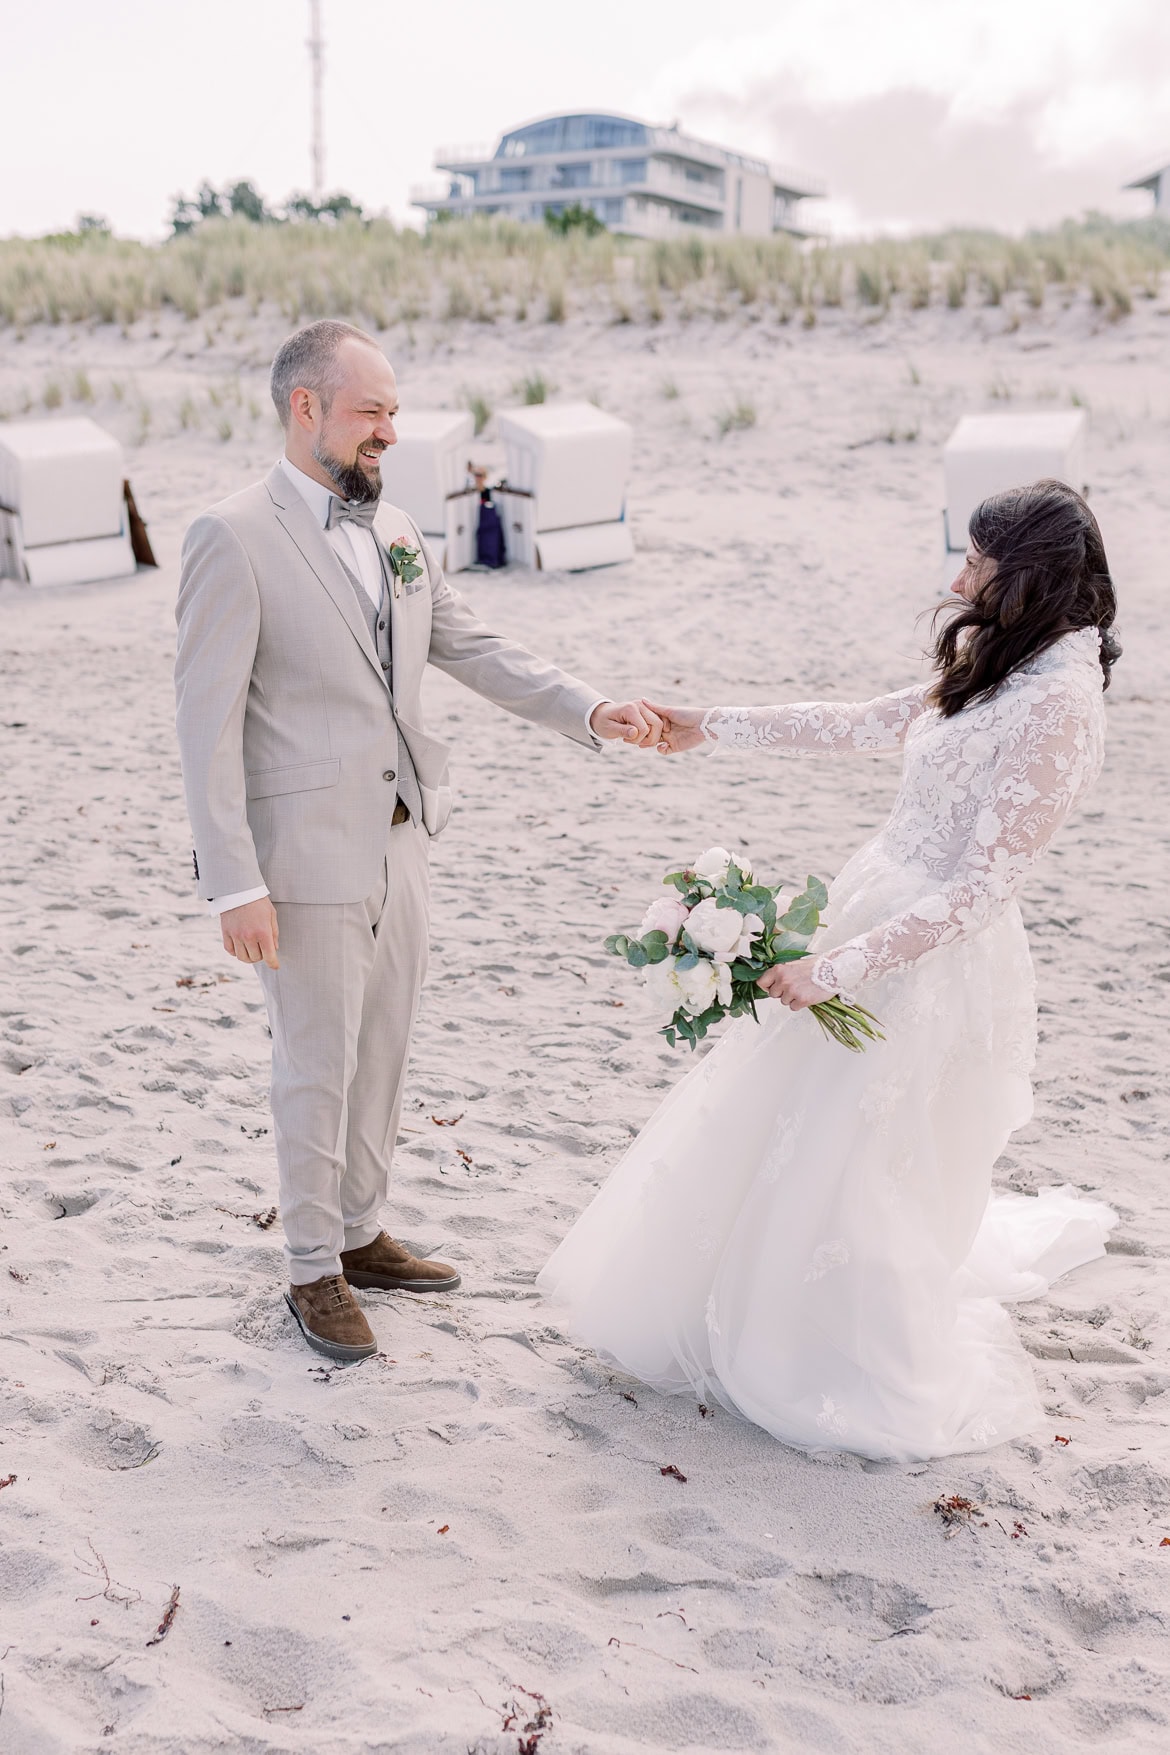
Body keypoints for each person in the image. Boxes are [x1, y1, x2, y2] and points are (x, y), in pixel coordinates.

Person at [538, 480, 1121, 1462]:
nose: (958, 578)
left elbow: (980, 890)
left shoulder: (1061, 703)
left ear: (1028, 575)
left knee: (860, 1155)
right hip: (876, 904)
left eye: (975, 563)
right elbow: (869, 720)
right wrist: (708, 724)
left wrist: (841, 965)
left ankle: (834, 1345)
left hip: (926, 958)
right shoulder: (1001, 654)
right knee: (791, 1127)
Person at [175, 319, 660, 1364]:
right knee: (315, 1063)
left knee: (382, 1050)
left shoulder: (394, 527)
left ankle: (359, 1231)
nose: (390, 430)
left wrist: (592, 708)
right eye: (372, 412)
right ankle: (311, 1267)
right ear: (305, 409)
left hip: (402, 838)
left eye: (394, 411)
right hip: (299, 859)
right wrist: (232, 886)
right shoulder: (232, 535)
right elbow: (204, 724)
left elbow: (468, 643)